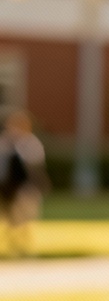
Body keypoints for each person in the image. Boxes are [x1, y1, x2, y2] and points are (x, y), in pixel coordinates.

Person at [0, 110, 49, 256]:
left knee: (24, 219)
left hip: (25, 189)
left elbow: (34, 169)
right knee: (9, 218)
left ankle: (23, 247)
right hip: (5, 189)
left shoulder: (30, 144)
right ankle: (12, 245)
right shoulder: (4, 143)